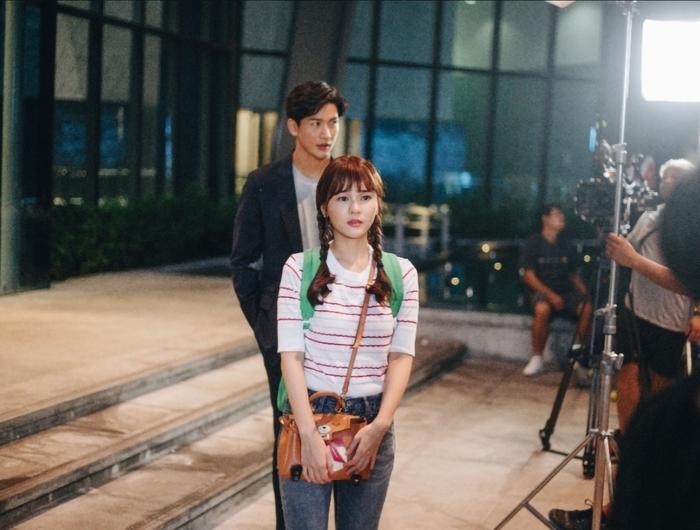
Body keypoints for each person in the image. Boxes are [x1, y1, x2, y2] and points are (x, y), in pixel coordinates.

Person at [548, 166, 700, 530]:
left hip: (669, 327)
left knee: (659, 434)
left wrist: (634, 260)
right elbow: (621, 254)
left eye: (676, 179)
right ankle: (610, 510)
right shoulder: (649, 217)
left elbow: (682, 280)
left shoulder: (687, 230)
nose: (667, 182)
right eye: (665, 176)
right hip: (634, 319)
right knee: (636, 429)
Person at [277, 155, 418, 529]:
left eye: (365, 197)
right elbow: (291, 357)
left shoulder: (401, 273)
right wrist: (308, 435)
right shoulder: (299, 268)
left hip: (373, 424)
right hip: (311, 414)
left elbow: (401, 356)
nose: (355, 208)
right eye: (342, 198)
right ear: (325, 207)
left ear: (377, 204)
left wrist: (380, 426)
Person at [230, 80, 347, 529]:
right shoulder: (265, 184)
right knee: (290, 432)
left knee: (342, 426)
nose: (326, 133)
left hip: (342, 328)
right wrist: (267, 329)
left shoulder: (347, 179)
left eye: (332, 123)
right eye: (315, 123)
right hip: (286, 332)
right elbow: (244, 262)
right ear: (294, 127)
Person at [520, 204, 592, 376]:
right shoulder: (533, 243)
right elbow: (528, 276)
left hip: (566, 293)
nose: (562, 217)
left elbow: (573, 275)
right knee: (542, 309)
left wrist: (585, 293)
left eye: (562, 214)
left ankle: (580, 357)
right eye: (557, 214)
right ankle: (537, 358)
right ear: (545, 219)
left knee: (587, 308)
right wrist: (550, 295)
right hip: (542, 292)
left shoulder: (566, 244)